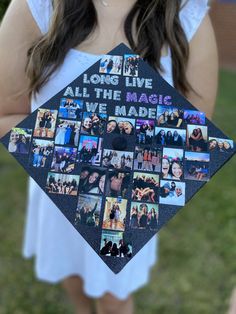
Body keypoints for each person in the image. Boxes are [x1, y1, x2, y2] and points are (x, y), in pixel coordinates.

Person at [0, 0, 217, 313]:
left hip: (129, 202)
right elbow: (6, 114)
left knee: (115, 299)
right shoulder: (38, 7)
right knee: (69, 270)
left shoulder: (185, 14)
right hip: (57, 185)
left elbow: (196, 140)